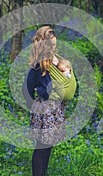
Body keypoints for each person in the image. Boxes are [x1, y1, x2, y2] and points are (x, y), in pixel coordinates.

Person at [22, 26, 76, 176]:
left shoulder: (55, 60)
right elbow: (27, 88)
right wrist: (35, 103)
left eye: (55, 44)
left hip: (56, 110)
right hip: (45, 111)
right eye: (51, 45)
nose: (54, 47)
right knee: (41, 147)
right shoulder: (38, 65)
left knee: (48, 145)